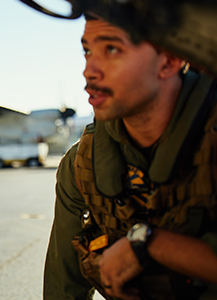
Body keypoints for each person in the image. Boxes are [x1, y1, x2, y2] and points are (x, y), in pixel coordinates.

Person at [43, 13, 217, 300]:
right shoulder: (81, 163)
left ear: (169, 60)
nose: (89, 71)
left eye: (112, 49)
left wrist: (150, 244)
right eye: (87, 51)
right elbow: (64, 286)